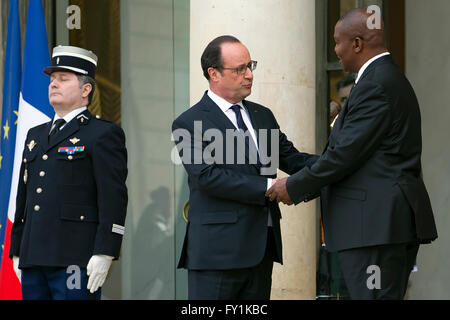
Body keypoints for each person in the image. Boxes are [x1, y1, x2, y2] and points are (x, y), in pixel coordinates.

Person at [267, 8, 437, 299]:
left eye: (337, 42)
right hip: (377, 228)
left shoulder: (376, 84)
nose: (335, 50)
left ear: (357, 44)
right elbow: (362, 153)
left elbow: (343, 158)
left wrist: (292, 187)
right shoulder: (381, 79)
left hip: (375, 229)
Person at [172, 35, 317, 300]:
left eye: (251, 66)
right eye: (240, 69)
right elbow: (208, 177)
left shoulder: (263, 116)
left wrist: (337, 163)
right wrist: (270, 186)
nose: (249, 75)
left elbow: (293, 159)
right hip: (217, 255)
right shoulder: (189, 122)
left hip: (262, 249)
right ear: (213, 73)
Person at [9, 45, 128, 300]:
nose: (54, 84)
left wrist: (106, 251)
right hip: (33, 257)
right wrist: (17, 248)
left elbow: (113, 197)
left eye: (63, 79)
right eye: (52, 79)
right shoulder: (36, 135)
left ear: (86, 89)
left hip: (75, 258)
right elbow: (25, 195)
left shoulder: (102, 134)